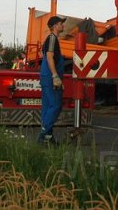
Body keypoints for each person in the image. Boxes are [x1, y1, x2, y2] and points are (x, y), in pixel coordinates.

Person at [38, 15, 66, 144]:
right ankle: (44, 133)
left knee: (48, 106)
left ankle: (48, 138)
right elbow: (50, 57)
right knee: (55, 105)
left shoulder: (51, 39)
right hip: (49, 77)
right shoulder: (52, 39)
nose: (63, 26)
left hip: (46, 76)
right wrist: (55, 76)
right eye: (61, 23)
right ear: (55, 26)